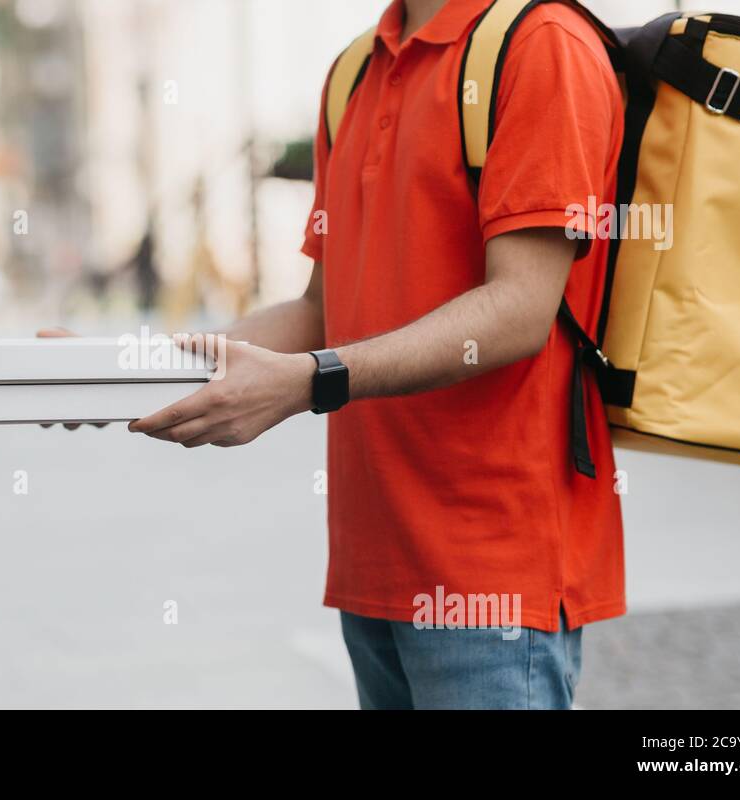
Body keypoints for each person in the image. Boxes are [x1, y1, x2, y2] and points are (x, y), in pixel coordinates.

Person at [130, 0, 626, 709]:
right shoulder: (355, 69)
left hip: (491, 575)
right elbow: (319, 312)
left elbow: (520, 310)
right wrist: (122, 369)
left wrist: (311, 382)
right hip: (375, 559)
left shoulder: (541, 43)